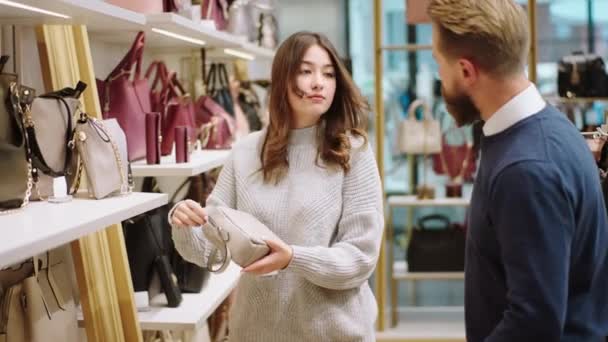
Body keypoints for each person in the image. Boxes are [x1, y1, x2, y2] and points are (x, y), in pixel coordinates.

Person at [169, 31, 383, 341]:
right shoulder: (245, 153)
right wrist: (185, 223)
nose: (319, 82)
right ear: (282, 78)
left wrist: (293, 258)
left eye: (328, 74)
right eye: (306, 71)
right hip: (256, 332)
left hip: (336, 334)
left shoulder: (354, 152)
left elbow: (360, 258)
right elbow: (209, 251)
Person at [428, 0, 608, 341]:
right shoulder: (547, 128)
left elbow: (533, 324)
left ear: (466, 71)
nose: (439, 75)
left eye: (439, 63)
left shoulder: (526, 170)